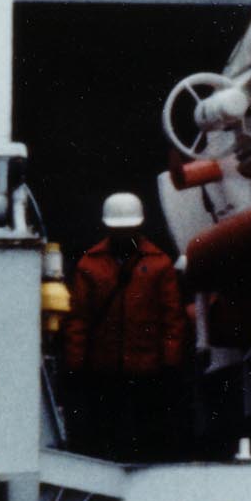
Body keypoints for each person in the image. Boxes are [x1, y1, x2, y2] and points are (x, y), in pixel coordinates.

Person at [63, 192, 189, 461]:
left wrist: (170, 363)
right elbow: (79, 318)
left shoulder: (158, 264)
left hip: (148, 368)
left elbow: (172, 319)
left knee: (148, 431)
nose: (123, 234)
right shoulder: (90, 265)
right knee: (106, 430)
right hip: (104, 368)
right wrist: (76, 363)